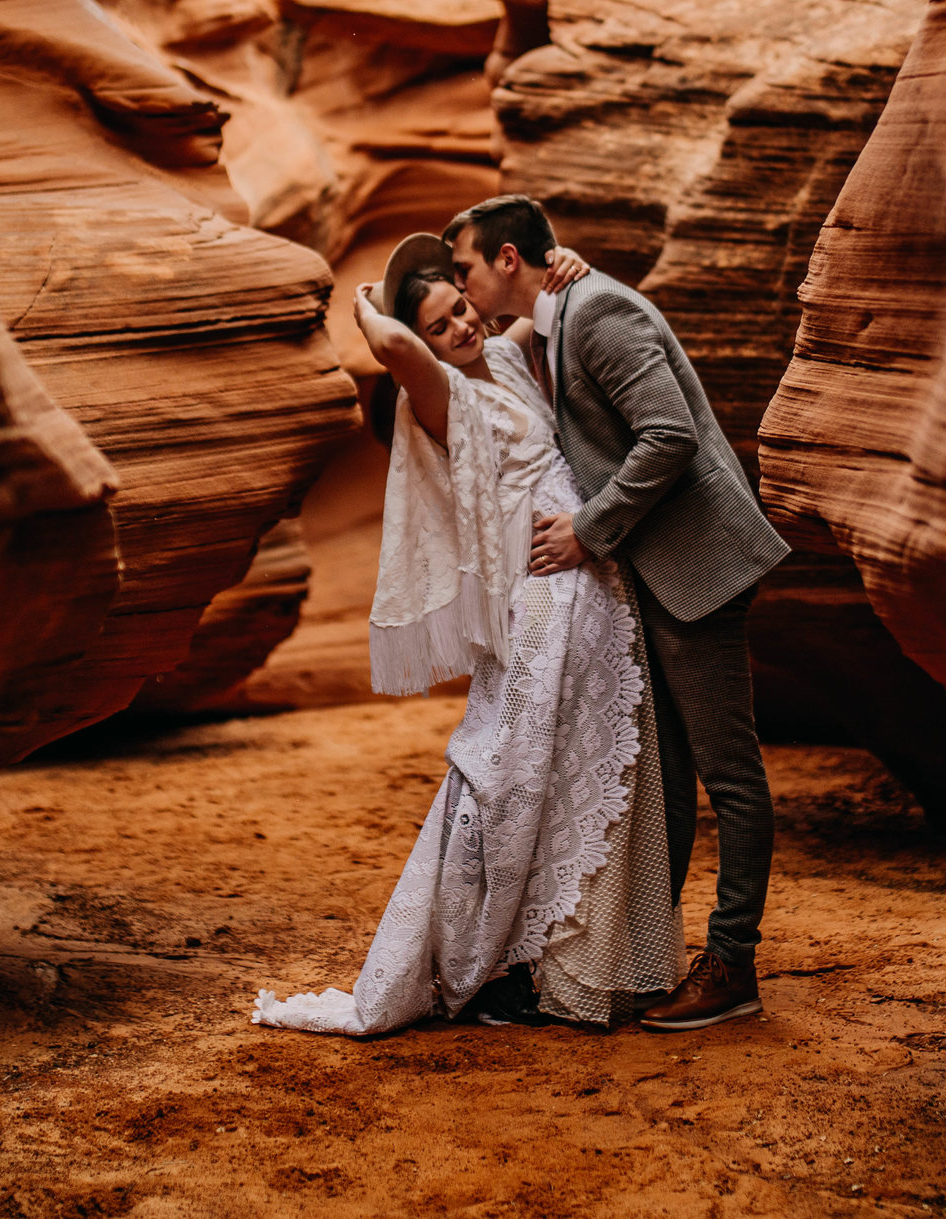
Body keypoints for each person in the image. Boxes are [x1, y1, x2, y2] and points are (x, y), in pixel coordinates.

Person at [249, 233, 683, 1035]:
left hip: (592, 586)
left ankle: (558, 965)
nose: (460, 328)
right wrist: (368, 304)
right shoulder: (442, 394)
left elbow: (533, 307)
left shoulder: (509, 360)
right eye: (442, 323)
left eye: (460, 309)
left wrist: (571, 265)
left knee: (576, 772)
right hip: (539, 598)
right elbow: (394, 347)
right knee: (506, 768)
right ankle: (479, 961)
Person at [444, 194, 789, 1031]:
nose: (462, 287)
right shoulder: (557, 315)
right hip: (654, 573)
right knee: (665, 778)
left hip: (697, 566)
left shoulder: (599, 310)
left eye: (464, 269)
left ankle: (733, 964)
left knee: (729, 775)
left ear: (509, 261)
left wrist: (587, 532)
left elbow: (667, 433)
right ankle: (636, 957)